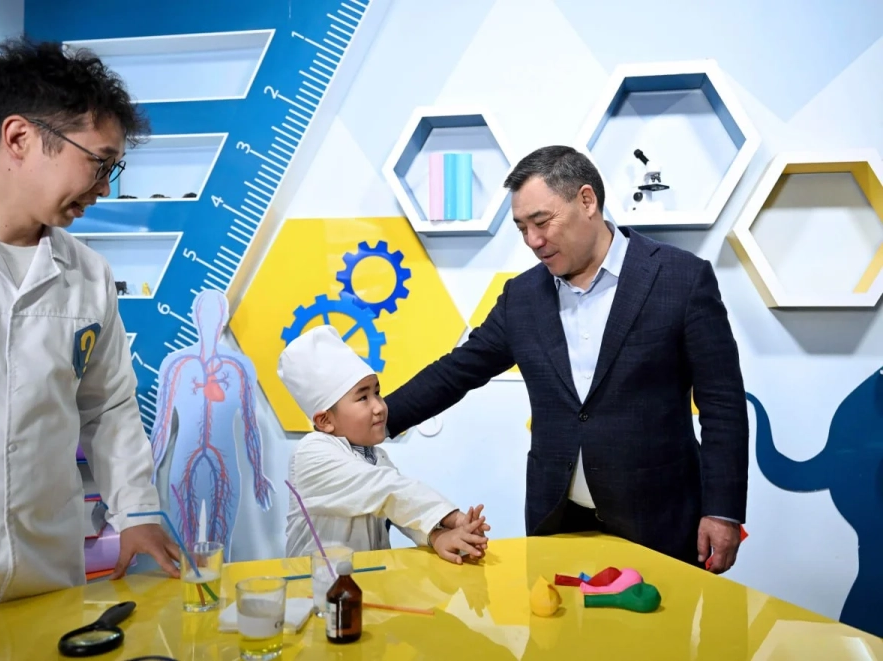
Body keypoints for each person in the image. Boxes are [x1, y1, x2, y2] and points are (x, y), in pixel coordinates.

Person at [384, 146, 749, 573]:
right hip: (556, 520)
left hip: (659, 521)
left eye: (542, 222)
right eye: (522, 228)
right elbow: (457, 371)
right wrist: (376, 419)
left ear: (587, 201)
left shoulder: (681, 278)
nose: (533, 241)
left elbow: (722, 404)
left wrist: (723, 511)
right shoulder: (521, 297)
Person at [0, 37, 179, 618]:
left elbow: (108, 406)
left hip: (46, 581)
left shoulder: (88, 274)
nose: (106, 186)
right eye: (99, 162)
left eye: (114, 168)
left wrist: (137, 513)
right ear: (19, 138)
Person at [277, 325, 489, 564]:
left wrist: (437, 535)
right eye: (363, 397)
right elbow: (387, 491)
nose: (379, 406)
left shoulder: (375, 456)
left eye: (377, 393)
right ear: (325, 421)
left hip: (364, 579)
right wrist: (453, 517)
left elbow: (398, 510)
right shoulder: (311, 453)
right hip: (314, 582)